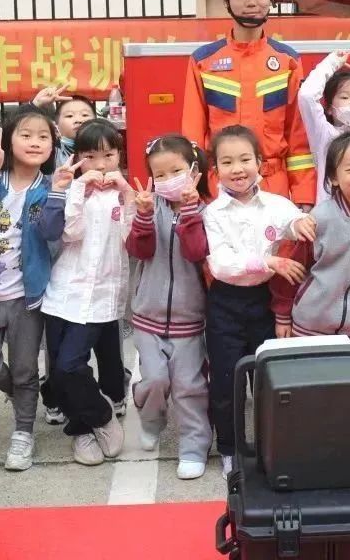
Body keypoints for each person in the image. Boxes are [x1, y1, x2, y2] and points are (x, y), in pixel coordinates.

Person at [203, 125, 314, 478]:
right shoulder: (213, 213)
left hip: (265, 301)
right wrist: (269, 262)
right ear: (215, 170)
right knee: (226, 381)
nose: (237, 169)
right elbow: (221, 265)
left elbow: (293, 222)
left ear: (260, 163)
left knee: (268, 378)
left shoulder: (277, 205)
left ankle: (271, 446)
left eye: (245, 160)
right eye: (227, 162)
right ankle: (230, 448)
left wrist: (301, 223)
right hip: (225, 302)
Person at [0, 107, 69, 471]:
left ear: (53, 145)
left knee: (26, 368)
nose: (35, 142)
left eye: (43, 136)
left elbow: (52, 232)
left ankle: (23, 433)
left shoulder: (50, 186)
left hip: (28, 296)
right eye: (26, 135)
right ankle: (23, 394)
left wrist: (58, 194)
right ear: (9, 139)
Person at [182, 0, 316, 206]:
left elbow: (298, 138)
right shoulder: (203, 62)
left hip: (273, 189)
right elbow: (193, 137)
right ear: (226, 0)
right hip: (220, 189)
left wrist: (303, 195)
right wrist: (196, 192)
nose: (252, 2)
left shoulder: (287, 61)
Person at [41, 119, 133, 468]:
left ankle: (97, 417)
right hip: (64, 291)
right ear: (77, 156)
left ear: (119, 155)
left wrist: (127, 193)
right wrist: (77, 187)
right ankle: (87, 426)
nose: (100, 164)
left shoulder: (126, 194)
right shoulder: (71, 189)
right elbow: (71, 233)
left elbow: (132, 239)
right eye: (91, 156)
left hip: (101, 294)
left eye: (109, 155)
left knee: (69, 366)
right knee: (59, 371)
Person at [126, 134, 212, 480]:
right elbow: (139, 251)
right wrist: (143, 216)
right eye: (159, 174)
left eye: (176, 171)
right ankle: (151, 418)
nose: (167, 180)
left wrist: (190, 212)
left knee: (190, 387)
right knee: (155, 380)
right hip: (148, 316)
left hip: (190, 320)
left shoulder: (207, 211)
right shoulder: (150, 208)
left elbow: (196, 252)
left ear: (194, 170)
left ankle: (194, 447)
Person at [270, 131, 350, 340]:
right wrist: (283, 316)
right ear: (333, 177)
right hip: (310, 328)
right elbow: (294, 267)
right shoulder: (318, 219)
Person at [297, 50, 350, 205]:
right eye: (344, 97)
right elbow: (307, 96)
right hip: (330, 215)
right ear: (329, 108)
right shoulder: (324, 134)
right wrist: (331, 63)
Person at [31, 87, 96, 167]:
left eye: (85, 115)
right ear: (57, 124)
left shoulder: (107, 144)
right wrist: (35, 104)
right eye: (69, 116)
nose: (78, 120)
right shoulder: (50, 151)